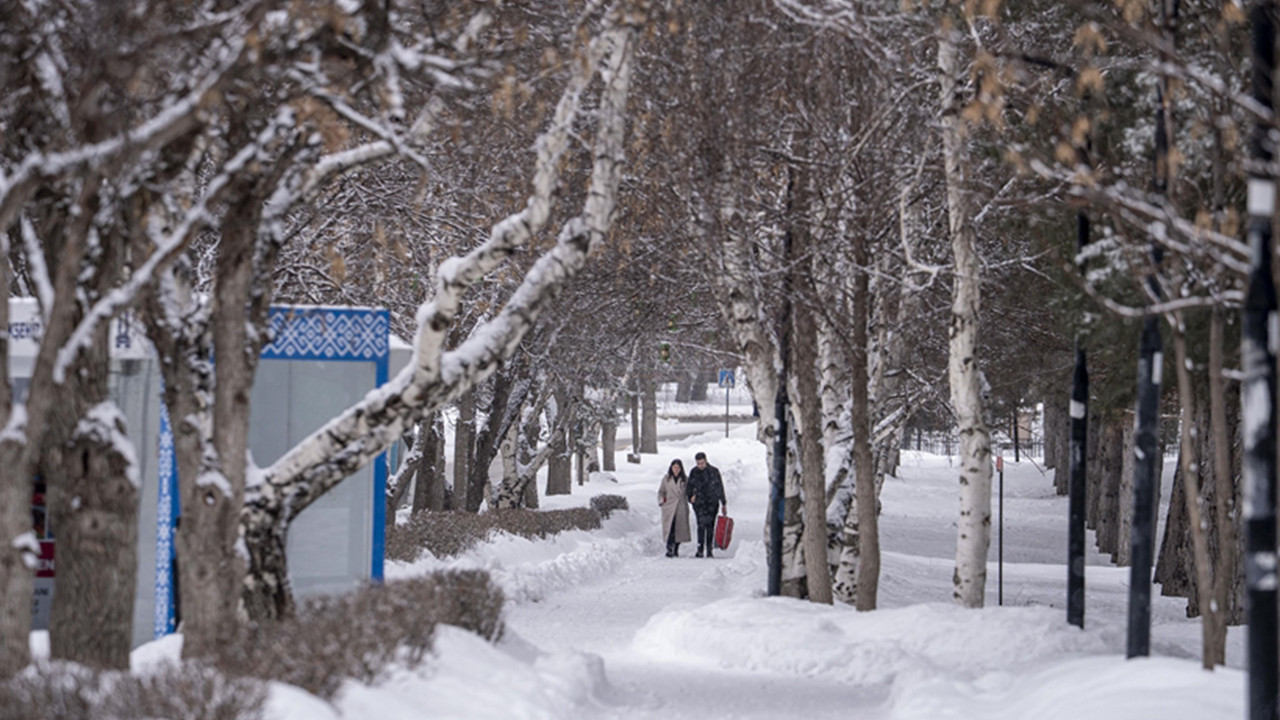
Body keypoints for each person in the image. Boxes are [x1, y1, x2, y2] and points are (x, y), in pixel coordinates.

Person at [686, 451, 726, 557]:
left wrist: (723, 502)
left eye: (702, 463)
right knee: (700, 525)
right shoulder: (694, 472)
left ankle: (709, 548)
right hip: (699, 503)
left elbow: (719, 487)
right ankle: (700, 548)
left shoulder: (714, 471)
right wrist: (690, 497)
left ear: (706, 461)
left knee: (710, 526)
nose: (700, 466)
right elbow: (689, 487)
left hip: (712, 502)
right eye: (698, 463)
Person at [658, 459, 691, 558]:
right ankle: (669, 548)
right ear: (671, 468)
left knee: (679, 528)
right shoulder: (666, 479)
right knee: (670, 528)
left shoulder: (685, 479)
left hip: (681, 506)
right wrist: (662, 500)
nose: (676, 470)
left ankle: (676, 547)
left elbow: (689, 492)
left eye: (678, 468)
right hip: (669, 506)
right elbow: (661, 491)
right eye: (674, 467)